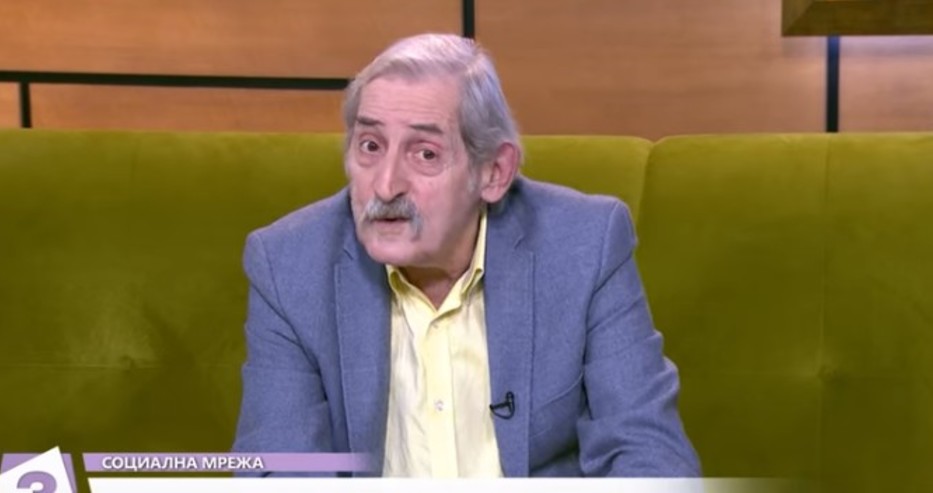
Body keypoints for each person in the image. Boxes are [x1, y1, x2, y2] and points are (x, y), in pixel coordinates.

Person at [232, 32, 700, 477]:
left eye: (425, 154)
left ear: (494, 172)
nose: (386, 185)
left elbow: (649, 452)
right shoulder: (288, 264)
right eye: (370, 146)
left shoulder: (583, 246)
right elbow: (280, 466)